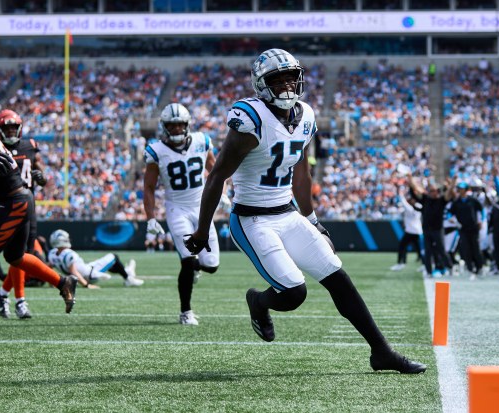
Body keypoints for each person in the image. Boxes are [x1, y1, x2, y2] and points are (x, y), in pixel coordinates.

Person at [184, 48, 425, 373]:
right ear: (261, 85)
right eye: (277, 79)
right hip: (253, 219)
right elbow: (216, 177)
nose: (285, 85)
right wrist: (202, 230)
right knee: (294, 292)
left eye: (290, 78)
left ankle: (381, 352)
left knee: (338, 278)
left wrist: (312, 220)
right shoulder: (250, 118)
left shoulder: (307, 116)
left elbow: (302, 173)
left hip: (288, 213)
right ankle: (259, 301)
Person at [0, 125, 77, 320]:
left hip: (13, 202)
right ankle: (63, 282)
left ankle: (16, 299)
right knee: (16, 257)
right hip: (19, 199)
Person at [143, 102, 219, 326]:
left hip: (201, 207)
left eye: (179, 125)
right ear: (164, 127)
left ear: (187, 125)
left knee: (212, 265)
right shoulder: (156, 151)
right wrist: (151, 217)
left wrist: (221, 192)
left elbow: (215, 171)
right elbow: (148, 187)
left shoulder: (202, 141)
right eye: (171, 126)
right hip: (177, 209)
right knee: (188, 260)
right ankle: (186, 312)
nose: (176, 129)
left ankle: (195, 267)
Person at [0, 109, 50, 318]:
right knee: (16, 256)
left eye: (13, 127)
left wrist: (40, 176)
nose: (10, 131)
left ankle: (4, 294)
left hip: (28, 205)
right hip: (7, 205)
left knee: (23, 256)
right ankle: (20, 300)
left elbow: (43, 179)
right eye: (6, 128)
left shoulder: (30, 146)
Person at [47, 229, 142, 288]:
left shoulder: (52, 254)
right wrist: (87, 285)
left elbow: (48, 269)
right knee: (114, 257)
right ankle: (128, 279)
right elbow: (74, 273)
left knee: (110, 263)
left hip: (88, 269)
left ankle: (127, 272)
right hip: (90, 274)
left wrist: (52, 283)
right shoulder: (69, 254)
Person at [408, 174, 454, 277]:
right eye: (431, 191)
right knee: (428, 251)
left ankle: (449, 267)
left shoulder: (441, 200)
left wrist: (453, 182)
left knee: (441, 250)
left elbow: (449, 192)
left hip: (438, 229)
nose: (433, 193)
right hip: (427, 229)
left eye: (435, 191)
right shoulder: (425, 199)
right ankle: (428, 271)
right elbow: (416, 190)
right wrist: (410, 178)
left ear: (438, 192)